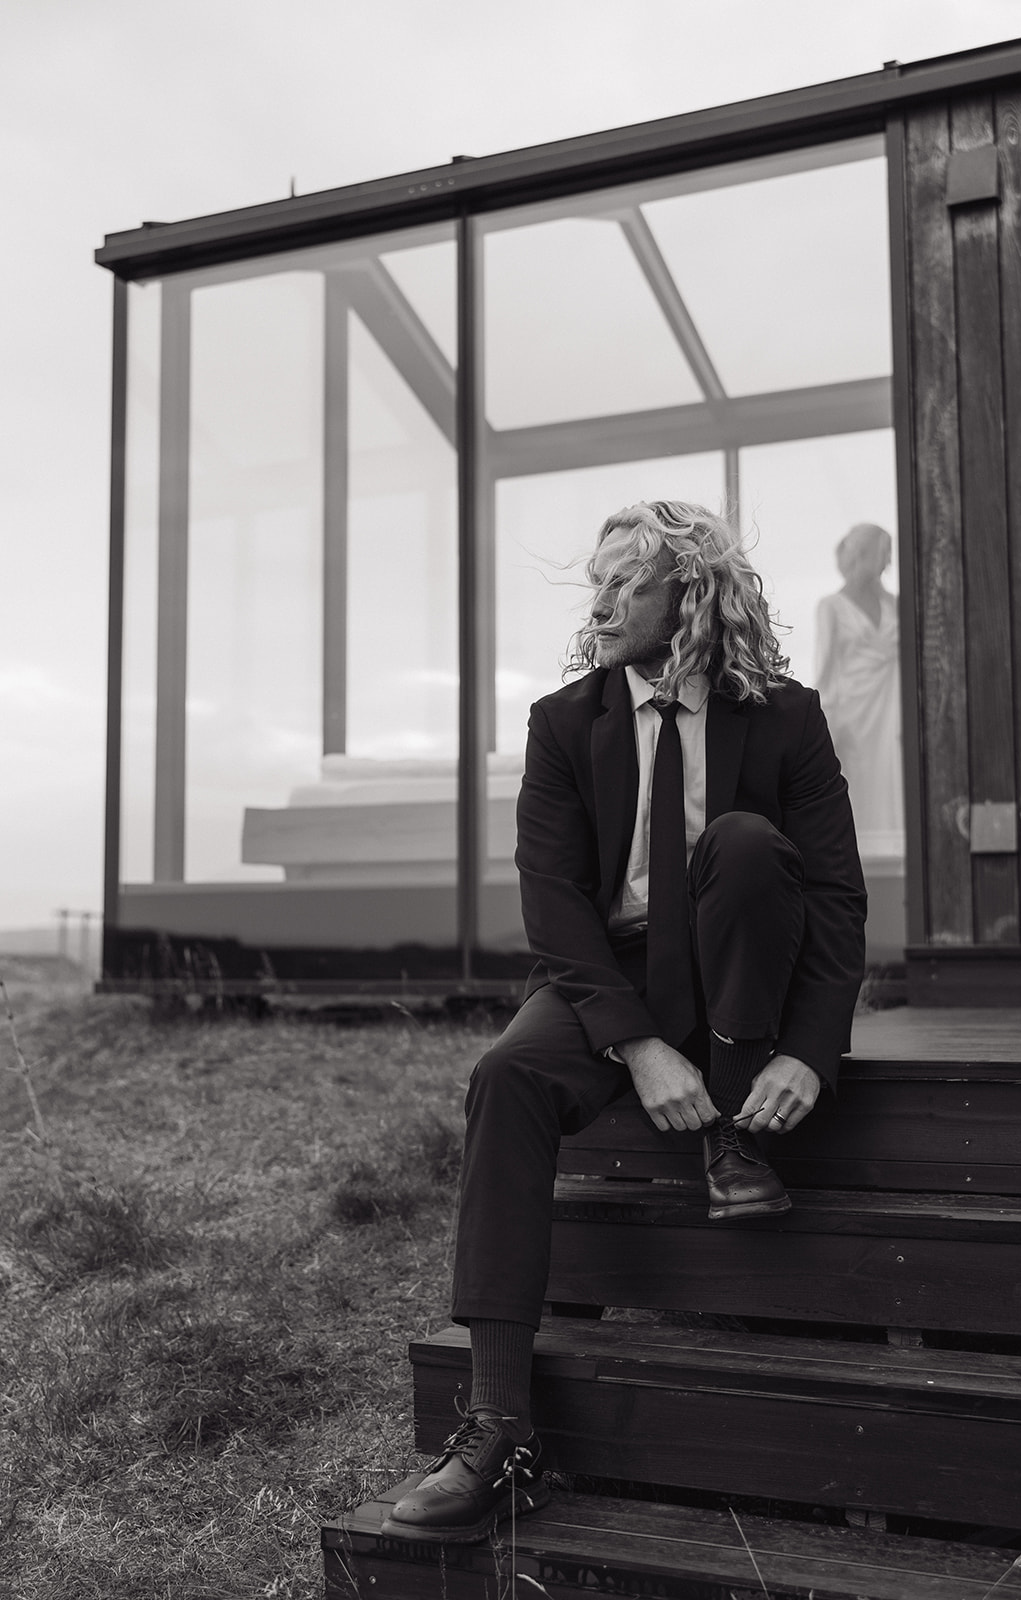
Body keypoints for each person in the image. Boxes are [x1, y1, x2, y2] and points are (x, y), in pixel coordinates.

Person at [382, 500, 866, 1546]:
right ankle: (501, 1425)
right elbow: (553, 902)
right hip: (615, 973)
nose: (598, 604)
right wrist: (635, 1044)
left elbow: (830, 896)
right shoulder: (565, 720)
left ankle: (731, 1126)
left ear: (687, 596)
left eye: (623, 584)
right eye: (593, 584)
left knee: (741, 843)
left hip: (739, 969)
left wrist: (806, 1051)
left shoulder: (783, 713)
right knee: (504, 1074)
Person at [814, 523, 903, 851]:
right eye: (882, 554)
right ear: (862, 556)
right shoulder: (831, 607)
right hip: (853, 715)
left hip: (893, 713)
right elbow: (824, 669)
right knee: (859, 788)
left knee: (895, 782)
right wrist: (822, 723)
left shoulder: (897, 605)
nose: (887, 563)